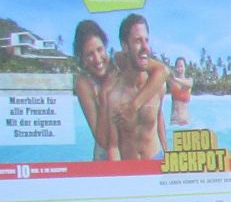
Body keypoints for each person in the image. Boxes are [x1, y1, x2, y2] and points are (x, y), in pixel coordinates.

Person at [103, 11, 173, 160]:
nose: (145, 46)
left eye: (146, 40)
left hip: (155, 158)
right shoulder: (115, 95)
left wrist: (167, 154)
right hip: (129, 165)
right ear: (125, 46)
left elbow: (158, 117)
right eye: (138, 41)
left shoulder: (158, 86)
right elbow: (113, 146)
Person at [69, 19, 116, 159]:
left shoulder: (119, 67)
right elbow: (101, 139)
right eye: (90, 54)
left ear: (105, 47)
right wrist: (105, 92)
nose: (97, 59)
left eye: (99, 50)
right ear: (82, 58)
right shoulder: (84, 83)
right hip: (105, 157)